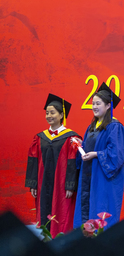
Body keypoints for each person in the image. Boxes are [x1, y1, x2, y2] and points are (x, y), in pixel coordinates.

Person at [25, 94, 81, 237]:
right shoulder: (39, 137)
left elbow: (72, 162)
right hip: (42, 184)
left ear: (61, 114)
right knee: (44, 211)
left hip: (61, 185)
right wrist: (33, 184)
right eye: (47, 113)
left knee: (61, 212)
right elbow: (33, 159)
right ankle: (45, 240)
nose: (49, 116)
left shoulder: (70, 138)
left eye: (52, 112)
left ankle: (60, 241)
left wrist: (70, 185)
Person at [74, 82, 124, 229]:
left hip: (103, 179)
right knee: (86, 212)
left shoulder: (115, 127)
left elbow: (116, 155)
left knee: (101, 213)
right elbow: (87, 149)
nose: (94, 107)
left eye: (98, 103)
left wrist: (96, 154)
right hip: (89, 177)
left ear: (108, 106)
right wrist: (80, 146)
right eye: (93, 104)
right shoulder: (91, 128)